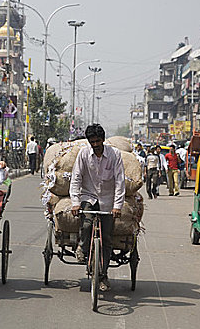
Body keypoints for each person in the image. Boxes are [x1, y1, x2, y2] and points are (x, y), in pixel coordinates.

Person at [70, 124, 126, 292]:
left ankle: (103, 275)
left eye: (97, 141)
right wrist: (75, 202)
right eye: (92, 142)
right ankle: (83, 247)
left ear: (103, 140)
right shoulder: (83, 154)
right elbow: (76, 178)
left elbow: (120, 181)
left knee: (107, 239)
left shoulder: (115, 154)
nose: (95, 145)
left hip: (108, 201)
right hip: (88, 196)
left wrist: (117, 206)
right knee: (86, 224)